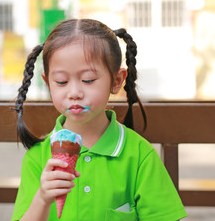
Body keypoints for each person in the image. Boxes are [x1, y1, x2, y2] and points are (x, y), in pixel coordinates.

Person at [12, 19, 187, 221]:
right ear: (47, 83)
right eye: (61, 82)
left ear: (116, 81)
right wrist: (42, 199)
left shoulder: (139, 155)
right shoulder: (38, 158)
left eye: (88, 80)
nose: (75, 93)